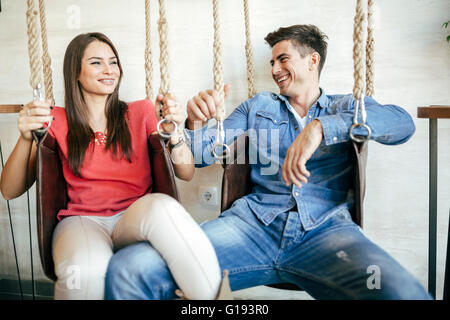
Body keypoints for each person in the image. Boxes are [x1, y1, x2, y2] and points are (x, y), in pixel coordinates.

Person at [105, 25, 431, 300]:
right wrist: (192, 122)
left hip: (326, 232)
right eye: (273, 61)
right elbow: (200, 154)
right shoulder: (259, 107)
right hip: (249, 227)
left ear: (312, 60)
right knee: (131, 267)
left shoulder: (344, 105)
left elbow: (402, 123)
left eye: (283, 59)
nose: (274, 69)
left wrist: (320, 128)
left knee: (404, 292)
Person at [0, 32, 194, 299]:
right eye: (96, 63)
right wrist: (24, 138)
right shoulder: (54, 119)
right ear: (75, 73)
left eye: (113, 62)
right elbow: (9, 190)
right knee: (85, 270)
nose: (109, 70)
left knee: (166, 213)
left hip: (136, 217)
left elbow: (186, 171)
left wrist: (176, 134)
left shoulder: (142, 111)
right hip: (83, 221)